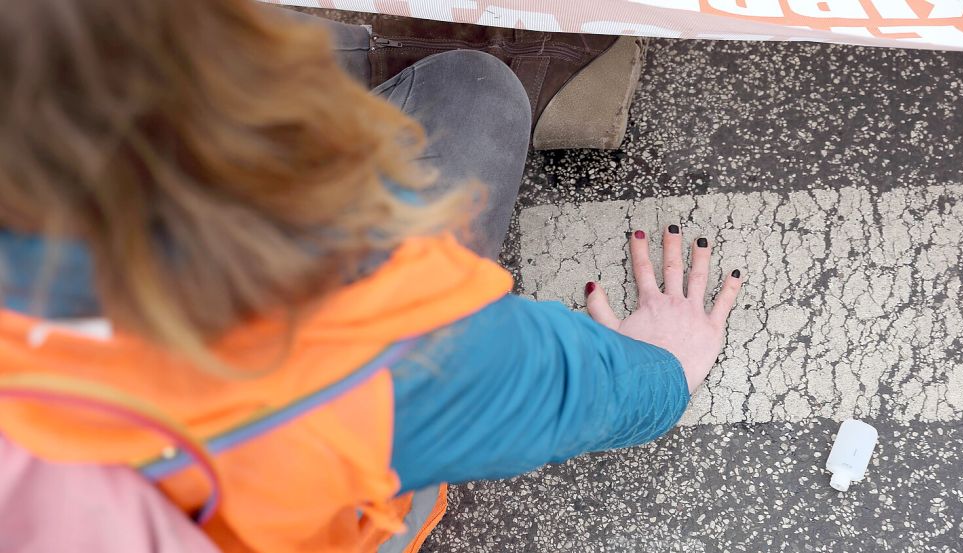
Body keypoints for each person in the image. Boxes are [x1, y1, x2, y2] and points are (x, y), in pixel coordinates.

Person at [0, 1, 743, 552]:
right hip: (318, 474)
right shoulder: (375, 347)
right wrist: (666, 366)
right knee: (476, 91)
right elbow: (571, 389)